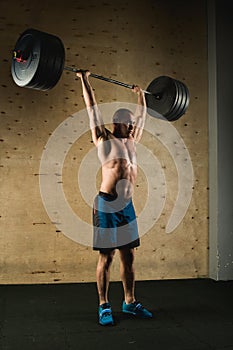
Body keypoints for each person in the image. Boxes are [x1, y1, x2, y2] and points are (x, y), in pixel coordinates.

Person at [76, 70, 152, 326]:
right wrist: (84, 80)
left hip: (127, 207)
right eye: (127, 122)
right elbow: (92, 109)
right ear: (116, 121)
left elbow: (143, 117)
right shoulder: (104, 139)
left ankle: (129, 302)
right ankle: (104, 305)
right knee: (106, 257)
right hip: (107, 204)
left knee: (128, 257)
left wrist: (141, 95)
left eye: (132, 123)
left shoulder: (132, 140)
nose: (132, 126)